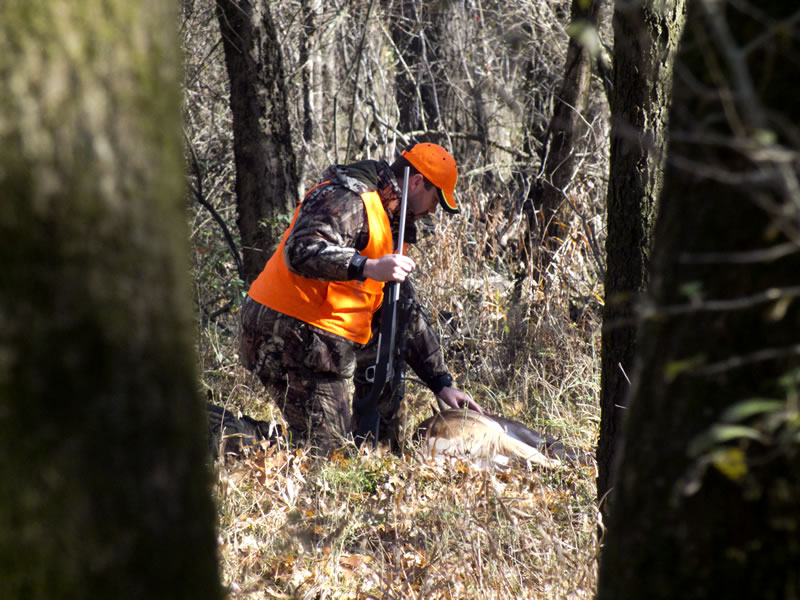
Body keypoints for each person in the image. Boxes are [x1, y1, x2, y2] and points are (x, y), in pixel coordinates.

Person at [239, 143, 483, 452]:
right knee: (328, 456)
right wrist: (366, 266)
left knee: (387, 343)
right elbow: (299, 251)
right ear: (418, 182)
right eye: (436, 198)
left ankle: (377, 446)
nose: (433, 210)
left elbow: (402, 309)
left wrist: (442, 384)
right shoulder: (350, 198)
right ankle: (221, 434)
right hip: (285, 331)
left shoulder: (390, 219)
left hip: (317, 338)